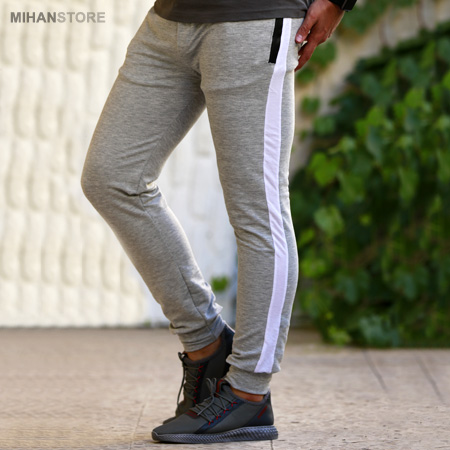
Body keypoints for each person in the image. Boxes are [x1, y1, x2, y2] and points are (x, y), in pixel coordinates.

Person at [80, 0, 356, 443]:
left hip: (254, 18)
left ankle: (248, 391)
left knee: (258, 208)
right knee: (112, 177)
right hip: (171, 18)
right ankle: (206, 343)